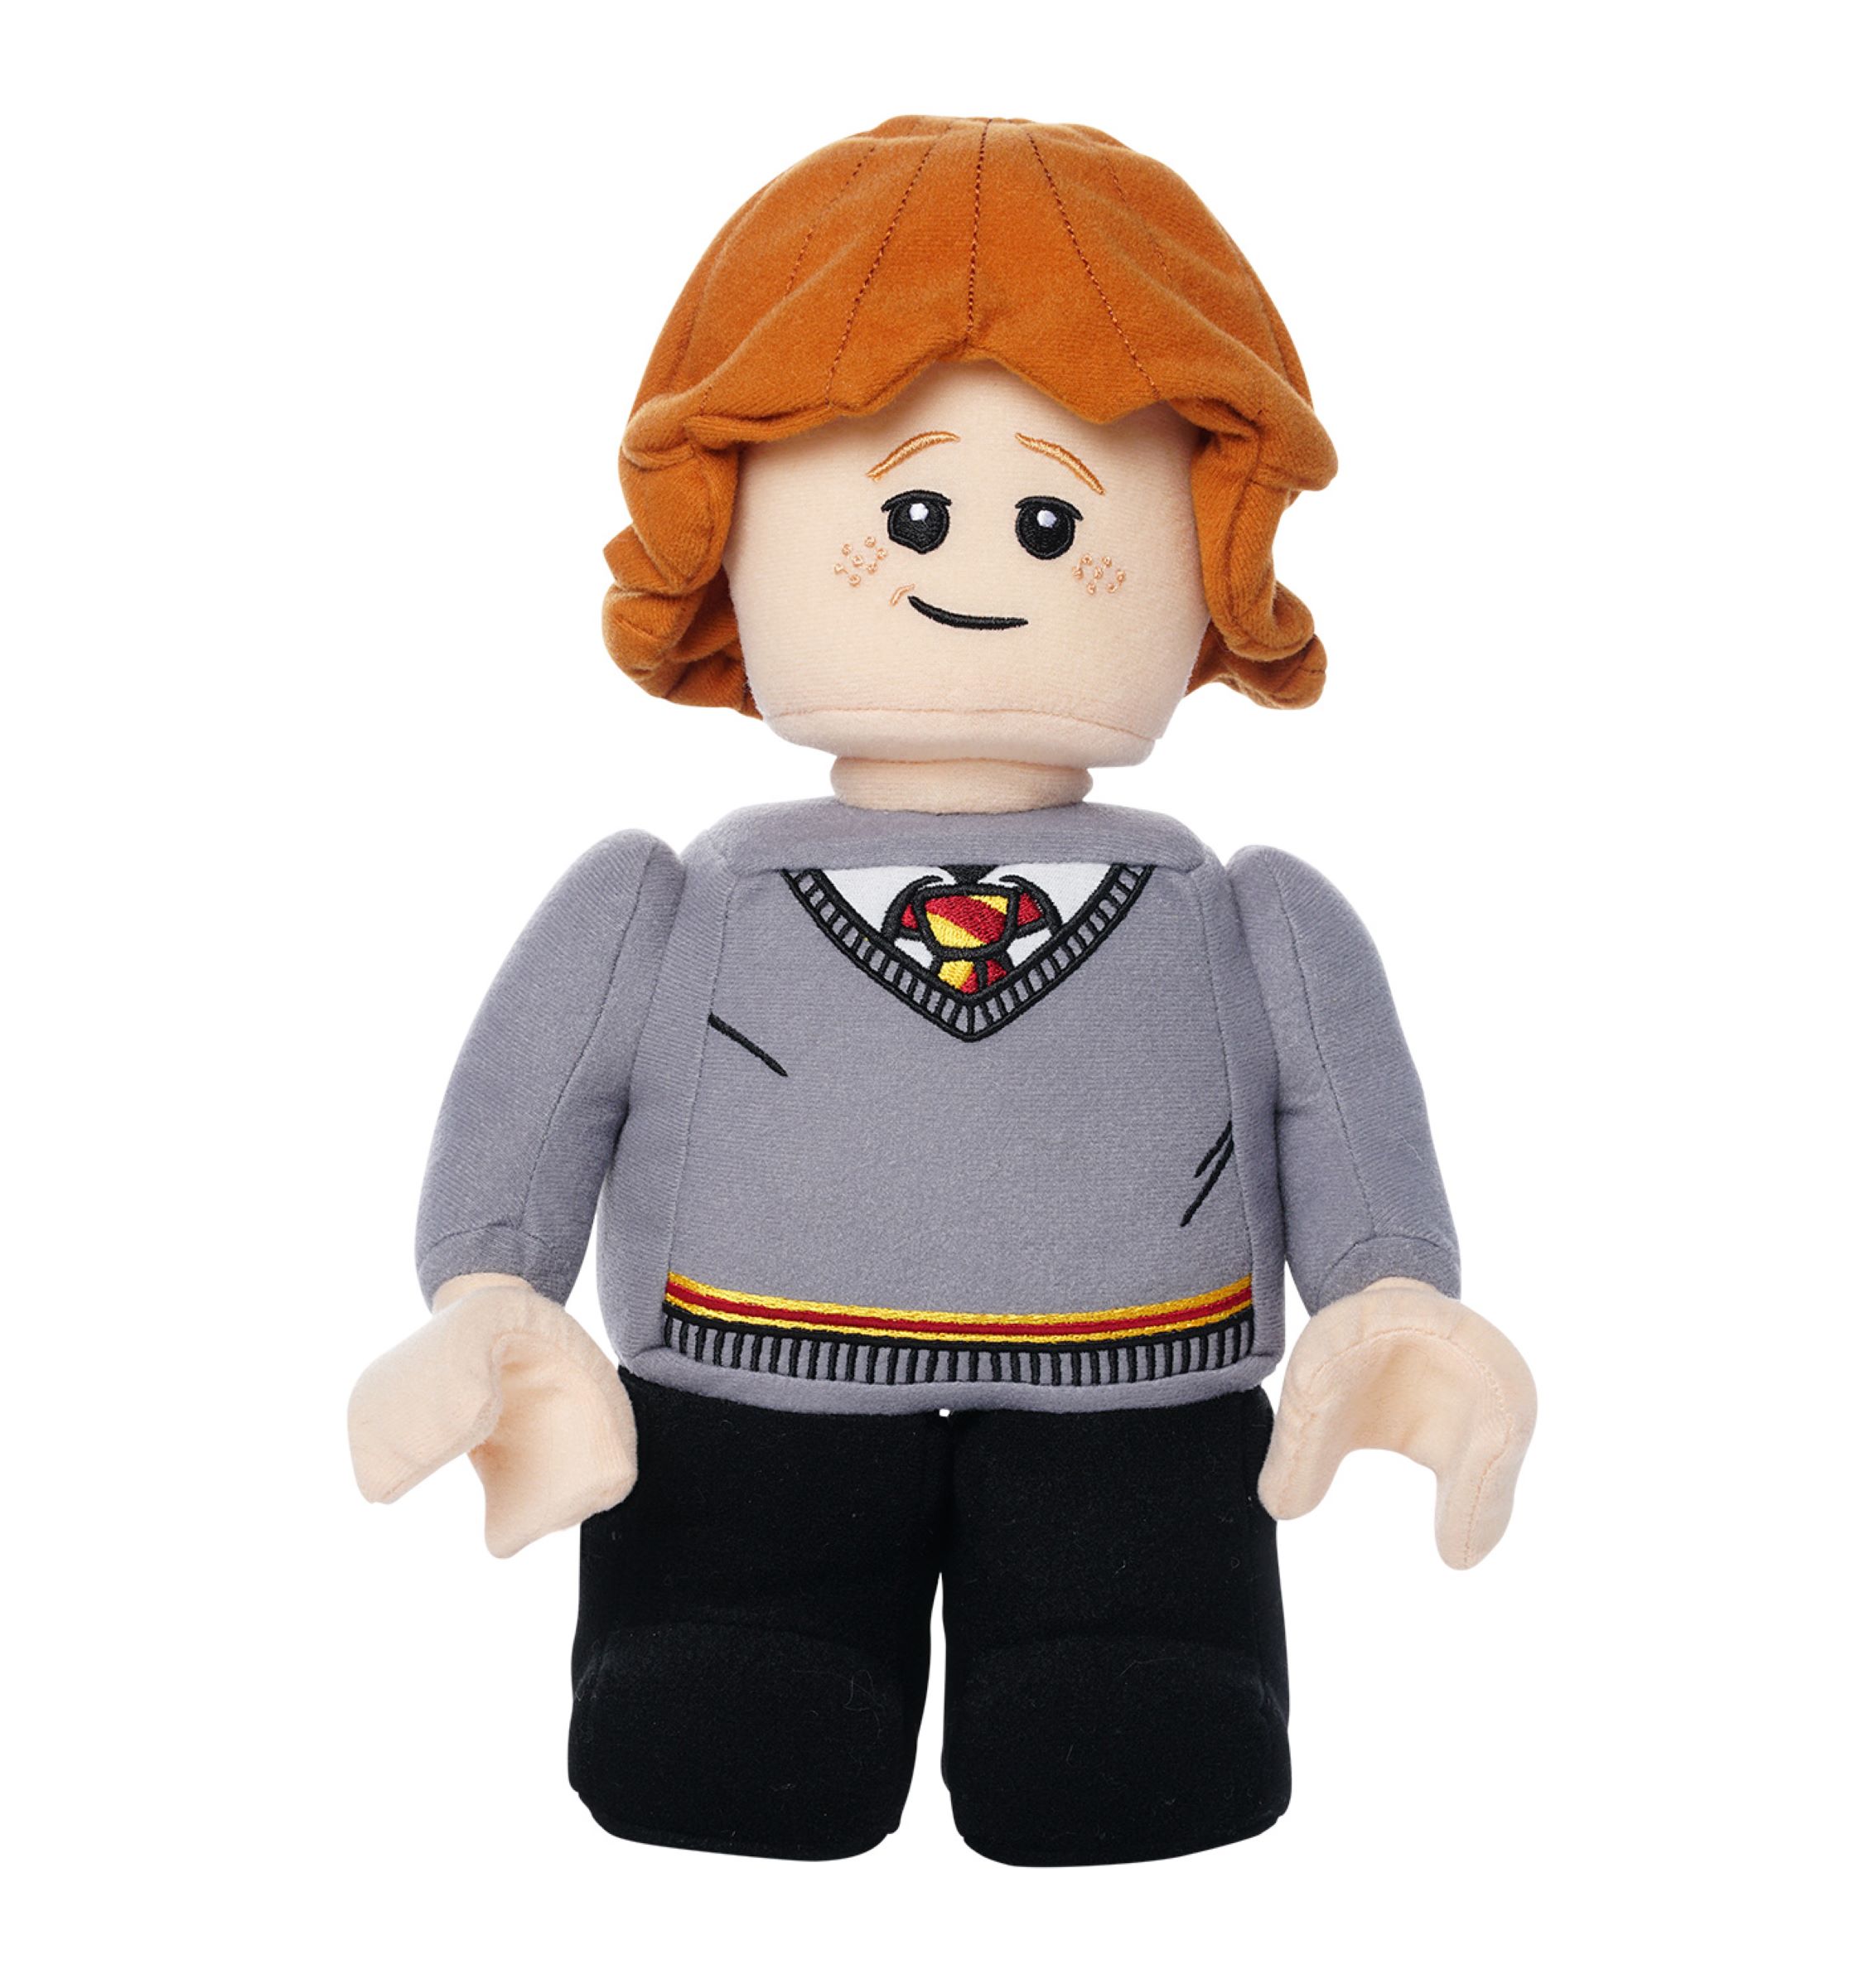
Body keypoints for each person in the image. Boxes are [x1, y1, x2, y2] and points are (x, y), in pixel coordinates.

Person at [350, 115, 1536, 1866]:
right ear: (727, 528)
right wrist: (489, 1293)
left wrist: (1391, 1295)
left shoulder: (1244, 910)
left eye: (1057, 518)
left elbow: (1346, 1125)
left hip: (1137, 1418)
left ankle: (1122, 1664)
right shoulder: (671, 896)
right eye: (911, 509)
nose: (980, 568)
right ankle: (746, 1652)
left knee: (1135, 1718)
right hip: (747, 1401)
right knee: (726, 1704)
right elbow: (539, 1107)